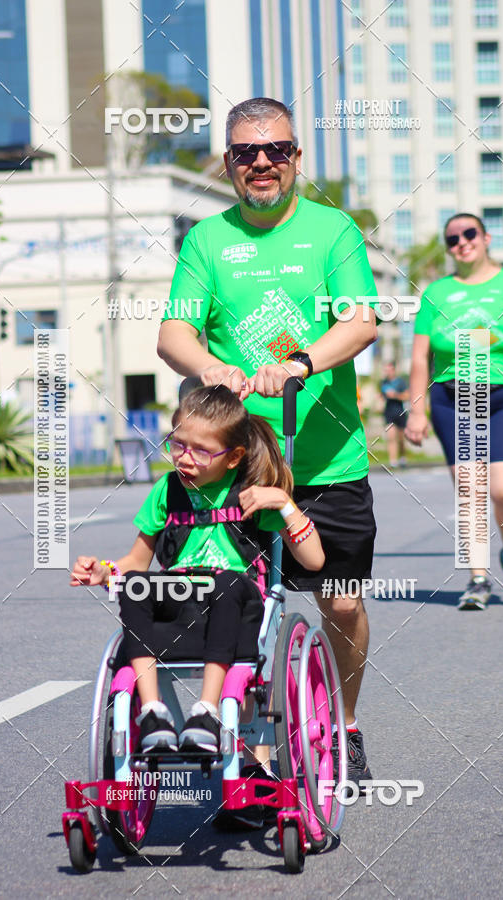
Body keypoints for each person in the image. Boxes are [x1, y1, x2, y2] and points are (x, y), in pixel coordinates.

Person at [157, 97, 379, 796]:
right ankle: (251, 758)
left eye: (276, 150)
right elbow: (173, 332)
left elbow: (361, 321)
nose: (261, 162)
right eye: (246, 152)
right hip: (239, 464)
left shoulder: (332, 230)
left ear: (295, 158)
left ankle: (344, 726)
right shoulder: (206, 241)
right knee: (239, 608)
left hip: (327, 461)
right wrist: (208, 367)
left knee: (340, 603)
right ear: (228, 162)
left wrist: (302, 362)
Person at [70, 386, 324, 758]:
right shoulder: (166, 490)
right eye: (178, 445)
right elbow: (136, 562)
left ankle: (207, 710)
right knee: (136, 586)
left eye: (201, 451)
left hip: (238, 602)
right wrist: (105, 573)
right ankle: (153, 712)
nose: (185, 459)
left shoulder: (251, 492)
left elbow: (314, 560)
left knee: (224, 584)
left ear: (234, 457)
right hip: (180, 599)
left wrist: (284, 503)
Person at [405, 212, 503, 610]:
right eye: (453, 239)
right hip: (453, 398)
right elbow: (420, 357)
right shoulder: (436, 293)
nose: (462, 242)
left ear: (486, 238)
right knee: (470, 490)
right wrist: (416, 411)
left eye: (469, 234)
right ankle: (478, 578)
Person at [380, 361, 409, 467]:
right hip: (389, 413)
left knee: (401, 439)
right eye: (386, 370)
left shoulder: (401, 382)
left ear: (394, 370)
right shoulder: (383, 382)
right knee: (391, 437)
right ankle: (393, 462)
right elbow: (382, 395)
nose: (388, 372)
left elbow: (407, 396)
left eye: (390, 370)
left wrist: (395, 395)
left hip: (400, 412)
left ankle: (402, 458)